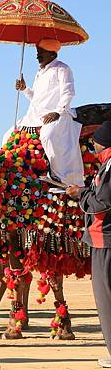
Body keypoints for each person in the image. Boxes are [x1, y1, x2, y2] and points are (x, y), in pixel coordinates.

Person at [66, 121, 111, 368]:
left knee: (107, 300)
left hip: (106, 241)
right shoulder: (105, 166)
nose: (91, 144)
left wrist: (80, 195)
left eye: (95, 140)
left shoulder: (110, 167)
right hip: (101, 239)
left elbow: (102, 201)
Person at [13, 38, 84, 187]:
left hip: (59, 114)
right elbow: (36, 99)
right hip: (34, 116)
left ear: (52, 54)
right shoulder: (40, 73)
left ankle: (59, 176)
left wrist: (57, 112)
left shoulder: (63, 69)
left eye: (41, 52)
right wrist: (25, 89)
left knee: (48, 135)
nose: (37, 56)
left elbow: (68, 93)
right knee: (10, 135)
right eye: (38, 52)